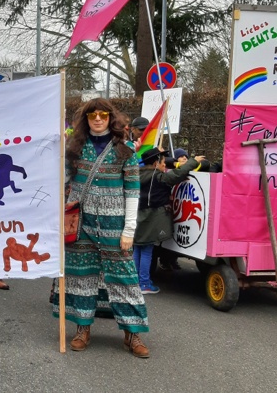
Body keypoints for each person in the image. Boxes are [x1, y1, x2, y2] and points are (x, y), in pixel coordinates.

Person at [54, 98, 149, 358]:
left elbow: (132, 191)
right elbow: (62, 183)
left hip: (114, 224)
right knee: (81, 277)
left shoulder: (126, 150)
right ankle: (82, 329)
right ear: (86, 119)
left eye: (103, 114)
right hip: (80, 223)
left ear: (110, 117)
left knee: (124, 279)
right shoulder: (74, 147)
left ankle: (132, 333)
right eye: (92, 114)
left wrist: (129, 229)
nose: (97, 119)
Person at [134, 147, 203, 293]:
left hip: (137, 216)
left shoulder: (138, 175)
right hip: (151, 217)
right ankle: (144, 284)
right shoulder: (157, 177)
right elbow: (175, 175)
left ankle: (135, 281)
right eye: (163, 162)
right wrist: (193, 162)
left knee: (137, 248)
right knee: (146, 250)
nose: (165, 165)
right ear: (155, 164)